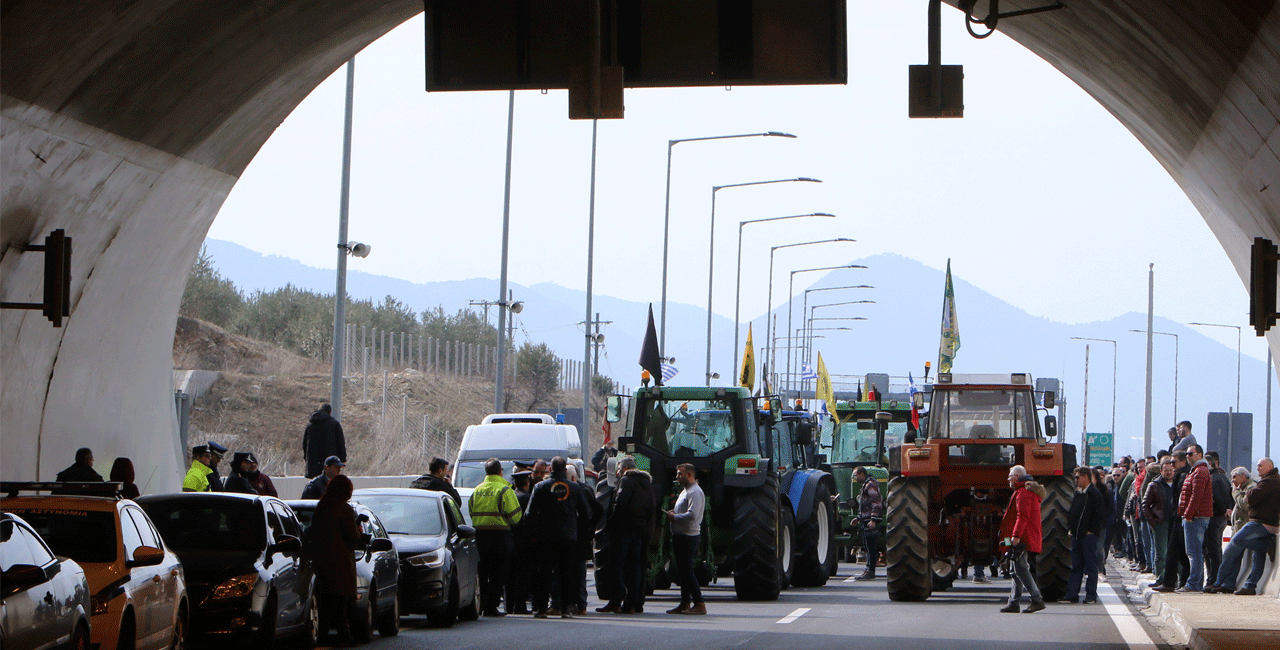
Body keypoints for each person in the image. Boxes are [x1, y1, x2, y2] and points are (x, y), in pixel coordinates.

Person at [525, 457, 590, 619]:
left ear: (549, 469)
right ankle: (565, 609)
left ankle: (541, 609)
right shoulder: (575, 488)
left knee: (544, 573)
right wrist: (577, 530)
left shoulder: (540, 486)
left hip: (545, 537)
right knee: (566, 572)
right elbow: (586, 513)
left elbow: (529, 513)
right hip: (568, 537)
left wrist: (533, 533)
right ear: (565, 470)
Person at [303, 474, 361, 645]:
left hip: (322, 560)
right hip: (340, 561)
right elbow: (354, 535)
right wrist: (358, 530)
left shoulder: (322, 506)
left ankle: (325, 635)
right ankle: (341, 635)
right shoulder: (344, 509)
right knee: (339, 601)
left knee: (328, 601)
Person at [1206, 458, 1278, 595]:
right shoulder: (1268, 481)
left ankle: (1218, 582)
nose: (1258, 469)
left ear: (1269, 466)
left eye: (1260, 466)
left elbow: (1249, 500)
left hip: (1260, 522)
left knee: (1235, 543)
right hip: (1263, 523)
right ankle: (1250, 586)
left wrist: (1237, 492)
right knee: (1258, 556)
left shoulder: (1268, 481)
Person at [598, 456, 653, 614]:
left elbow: (619, 504)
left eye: (620, 468)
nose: (618, 472)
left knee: (617, 566)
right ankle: (633, 603)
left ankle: (615, 601)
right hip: (639, 531)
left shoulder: (626, 481)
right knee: (635, 567)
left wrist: (611, 524)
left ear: (626, 469)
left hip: (622, 531)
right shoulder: (646, 483)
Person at [467, 458, 522, 617]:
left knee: (482, 572)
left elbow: (471, 511)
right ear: (500, 472)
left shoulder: (477, 490)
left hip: (479, 536)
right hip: (500, 537)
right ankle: (491, 606)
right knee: (499, 573)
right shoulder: (505, 489)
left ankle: (481, 604)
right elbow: (516, 517)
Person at [999, 465, 1046, 613]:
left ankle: (1036, 599)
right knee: (1015, 569)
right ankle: (1014, 602)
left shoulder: (1023, 493)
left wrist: (1016, 537)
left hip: (1022, 537)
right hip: (1023, 536)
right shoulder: (1024, 492)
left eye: (1010, 476)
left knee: (1021, 569)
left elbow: (1022, 517)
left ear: (1017, 477)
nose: (1008, 479)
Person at [1059, 466, 1106, 604]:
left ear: (1086, 477)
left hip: (1088, 536)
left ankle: (1091, 595)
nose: (1076, 480)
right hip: (1077, 535)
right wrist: (1070, 528)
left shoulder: (1094, 494)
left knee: (1091, 566)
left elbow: (1099, 516)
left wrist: (1091, 530)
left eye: (1078, 477)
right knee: (1076, 566)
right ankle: (1072, 594)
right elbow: (1073, 512)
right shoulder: (1078, 493)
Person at [665, 463, 707, 615]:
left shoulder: (695, 492)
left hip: (688, 536)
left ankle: (699, 602)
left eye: (680, 474)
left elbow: (693, 515)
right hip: (680, 535)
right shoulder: (686, 491)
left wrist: (674, 517)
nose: (677, 477)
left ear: (689, 474)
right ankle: (684, 602)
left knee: (687, 570)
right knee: (683, 571)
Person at [1175, 444, 1213, 592]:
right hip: (1194, 516)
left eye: (1191, 454)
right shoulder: (1196, 471)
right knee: (1194, 552)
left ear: (1200, 455)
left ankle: (1194, 584)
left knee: (1194, 552)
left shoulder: (1200, 472)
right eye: (1187, 454)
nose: (1188, 457)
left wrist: (1188, 514)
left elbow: (1197, 496)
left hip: (1196, 518)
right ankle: (1195, 583)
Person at [1141, 459, 1176, 579]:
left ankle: (1177, 579)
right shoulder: (1154, 485)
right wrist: (1153, 522)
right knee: (1160, 553)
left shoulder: (1178, 483)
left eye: (1171, 470)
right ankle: (1160, 577)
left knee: (1176, 552)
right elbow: (1145, 504)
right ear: (1161, 471)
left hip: (1175, 523)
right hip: (1161, 523)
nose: (1169, 473)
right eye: (1166, 470)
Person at [507, 470, 535, 615]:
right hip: (525, 542)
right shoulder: (529, 498)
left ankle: (508, 605)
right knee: (523, 575)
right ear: (527, 483)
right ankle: (520, 606)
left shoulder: (510, 497)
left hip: (509, 540)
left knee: (510, 575)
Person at [1204, 451, 1233, 584]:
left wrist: (1222, 510)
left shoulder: (1212, 479)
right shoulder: (1223, 476)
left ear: (1209, 464)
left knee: (1212, 550)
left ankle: (1213, 578)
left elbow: (1216, 497)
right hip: (1221, 518)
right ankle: (1216, 577)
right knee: (1216, 548)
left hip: (1214, 517)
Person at [853, 466, 884, 581]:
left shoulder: (869, 485)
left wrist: (873, 520)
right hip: (865, 520)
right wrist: (858, 518)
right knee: (867, 546)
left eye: (856, 475)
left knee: (870, 547)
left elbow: (876, 502)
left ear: (862, 474)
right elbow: (864, 506)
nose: (855, 478)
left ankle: (870, 570)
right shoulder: (866, 485)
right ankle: (868, 569)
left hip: (869, 521)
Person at [304, 403, 347, 479]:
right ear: (329, 412)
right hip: (330, 466)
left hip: (313, 465)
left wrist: (307, 460)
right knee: (328, 487)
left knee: (315, 487)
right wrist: (342, 459)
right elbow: (341, 443)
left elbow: (304, 445)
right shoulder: (335, 424)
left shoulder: (310, 424)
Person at [1228, 466, 1256, 534]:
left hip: (1244, 528)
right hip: (1238, 526)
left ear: (1243, 475)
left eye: (1235, 477)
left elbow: (1245, 505)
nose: (1232, 480)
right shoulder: (1241, 487)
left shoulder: (1251, 487)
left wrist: (1236, 492)